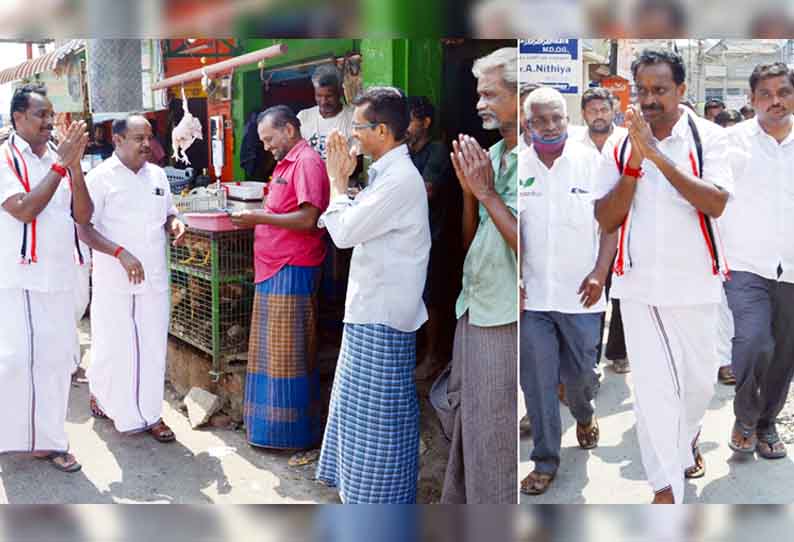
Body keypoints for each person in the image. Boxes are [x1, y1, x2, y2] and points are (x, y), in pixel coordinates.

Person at [594, 48, 733, 504]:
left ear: (681, 91)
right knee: (654, 393)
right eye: (642, 90)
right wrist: (634, 164)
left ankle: (688, 435)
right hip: (638, 288)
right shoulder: (618, 144)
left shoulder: (710, 137)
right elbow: (607, 217)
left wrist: (656, 157)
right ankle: (665, 490)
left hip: (697, 285)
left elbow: (714, 202)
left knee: (698, 387)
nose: (649, 100)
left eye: (660, 90)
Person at [315, 87, 431, 503]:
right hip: (373, 311)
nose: (353, 136)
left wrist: (336, 181)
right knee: (362, 417)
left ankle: (376, 505)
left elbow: (344, 233)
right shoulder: (388, 174)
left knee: (377, 422)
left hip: (381, 315)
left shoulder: (399, 180)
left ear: (382, 131)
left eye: (359, 127)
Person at [519, 87, 617, 496]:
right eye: (541, 120)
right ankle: (545, 459)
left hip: (582, 296)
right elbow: (512, 230)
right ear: (528, 124)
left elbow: (610, 225)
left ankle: (585, 413)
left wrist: (599, 271)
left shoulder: (591, 163)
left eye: (557, 118)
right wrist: (517, 278)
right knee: (538, 381)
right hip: (534, 298)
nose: (550, 126)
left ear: (567, 118)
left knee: (580, 379)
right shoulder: (517, 165)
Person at [439, 47, 518, 504]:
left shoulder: (537, 159)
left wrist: (485, 192)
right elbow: (473, 241)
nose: (479, 104)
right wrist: (471, 193)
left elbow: (530, 248)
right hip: (475, 300)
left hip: (506, 311)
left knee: (495, 428)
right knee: (470, 417)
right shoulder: (492, 154)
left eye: (489, 94)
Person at [0, 83, 92, 471]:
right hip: (18, 277)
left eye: (52, 116)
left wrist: (73, 167)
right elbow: (23, 210)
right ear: (17, 117)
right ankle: (9, 437)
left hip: (59, 275)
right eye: (41, 115)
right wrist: (60, 166)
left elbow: (83, 216)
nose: (49, 123)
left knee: (55, 362)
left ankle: (50, 441)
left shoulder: (60, 156)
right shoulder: (4, 157)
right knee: (15, 360)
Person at [77, 115, 186, 443]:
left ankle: (152, 414)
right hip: (115, 278)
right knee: (116, 346)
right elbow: (84, 228)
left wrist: (174, 225)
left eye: (149, 137)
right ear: (118, 140)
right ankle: (110, 402)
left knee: (152, 347)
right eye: (138, 138)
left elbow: (168, 212)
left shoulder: (157, 175)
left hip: (153, 276)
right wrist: (119, 252)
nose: (146, 144)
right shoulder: (99, 178)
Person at [229, 105, 330, 451]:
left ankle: (292, 436)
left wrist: (259, 218)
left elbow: (307, 219)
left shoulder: (307, 163)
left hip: (292, 266)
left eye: (270, 139)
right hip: (274, 267)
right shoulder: (286, 163)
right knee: (271, 354)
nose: (267, 146)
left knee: (289, 354)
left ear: (289, 130)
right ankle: (268, 430)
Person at [720, 63, 794, 460]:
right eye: (765, 94)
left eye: (783, 92)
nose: (775, 100)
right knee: (753, 342)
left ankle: (767, 425)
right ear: (751, 100)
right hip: (745, 263)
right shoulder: (731, 143)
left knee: (784, 353)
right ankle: (745, 417)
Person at [574, 87, 631, 374]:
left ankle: (619, 352)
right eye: (593, 110)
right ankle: (589, 359)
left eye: (604, 110)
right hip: (584, 233)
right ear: (584, 113)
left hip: (623, 231)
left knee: (621, 295)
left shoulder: (627, 142)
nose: (598, 115)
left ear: (613, 112)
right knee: (591, 292)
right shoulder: (573, 143)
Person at [406, 95, 454, 381]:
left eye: (410, 120)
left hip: (435, 236)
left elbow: (427, 191)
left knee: (431, 298)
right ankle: (417, 351)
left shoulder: (437, 151)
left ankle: (434, 355)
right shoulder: (407, 153)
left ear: (425, 123)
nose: (406, 127)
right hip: (412, 236)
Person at [297, 64, 355, 161]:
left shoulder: (353, 117)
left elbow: (358, 159)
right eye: (319, 96)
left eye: (329, 96)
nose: (323, 102)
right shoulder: (303, 117)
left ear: (340, 92)